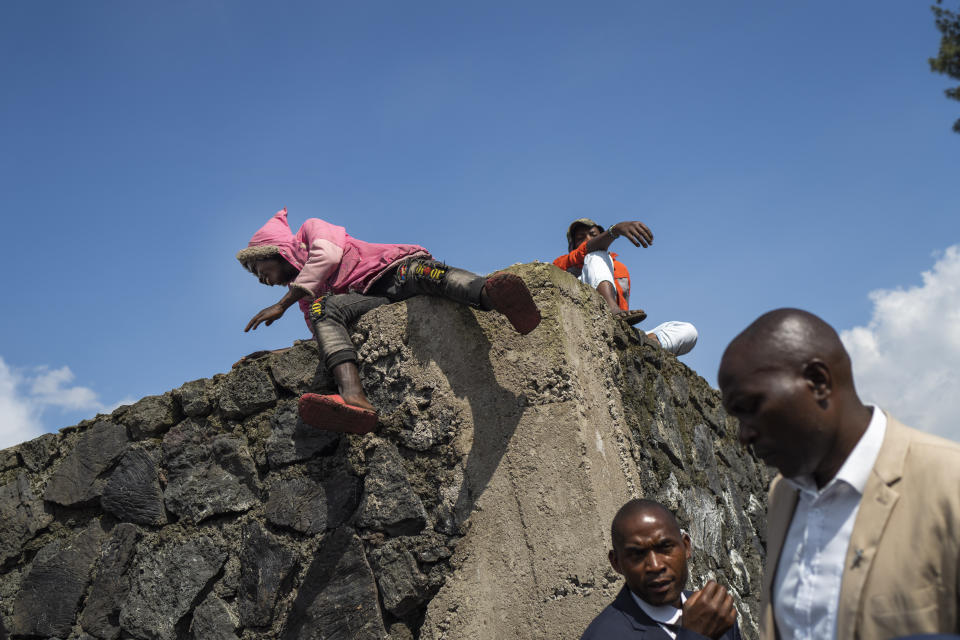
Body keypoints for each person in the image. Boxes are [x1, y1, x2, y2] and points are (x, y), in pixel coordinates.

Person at [718, 308, 960, 640]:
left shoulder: (950, 481)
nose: (743, 435)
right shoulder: (784, 495)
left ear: (818, 381)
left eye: (751, 407)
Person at [237, 208, 541, 434]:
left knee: (427, 274)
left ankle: (494, 295)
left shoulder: (309, 230)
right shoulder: (305, 297)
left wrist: (280, 306)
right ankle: (354, 399)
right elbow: (323, 335)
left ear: (276, 250)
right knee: (322, 311)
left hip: (392, 272)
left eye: (257, 266)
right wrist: (274, 355)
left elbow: (327, 256)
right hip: (371, 302)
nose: (258, 277)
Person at [581, 498, 741, 640]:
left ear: (686, 547)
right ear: (616, 563)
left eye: (665, 547)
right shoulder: (605, 635)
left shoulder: (714, 612)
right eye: (637, 554)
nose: (655, 566)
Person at [553, 218, 698, 356]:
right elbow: (585, 251)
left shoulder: (619, 268)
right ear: (571, 246)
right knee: (594, 255)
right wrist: (615, 230)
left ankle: (647, 345)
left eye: (593, 235)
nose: (588, 239)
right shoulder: (563, 265)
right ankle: (611, 310)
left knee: (688, 331)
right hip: (589, 323)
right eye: (581, 237)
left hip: (619, 330)